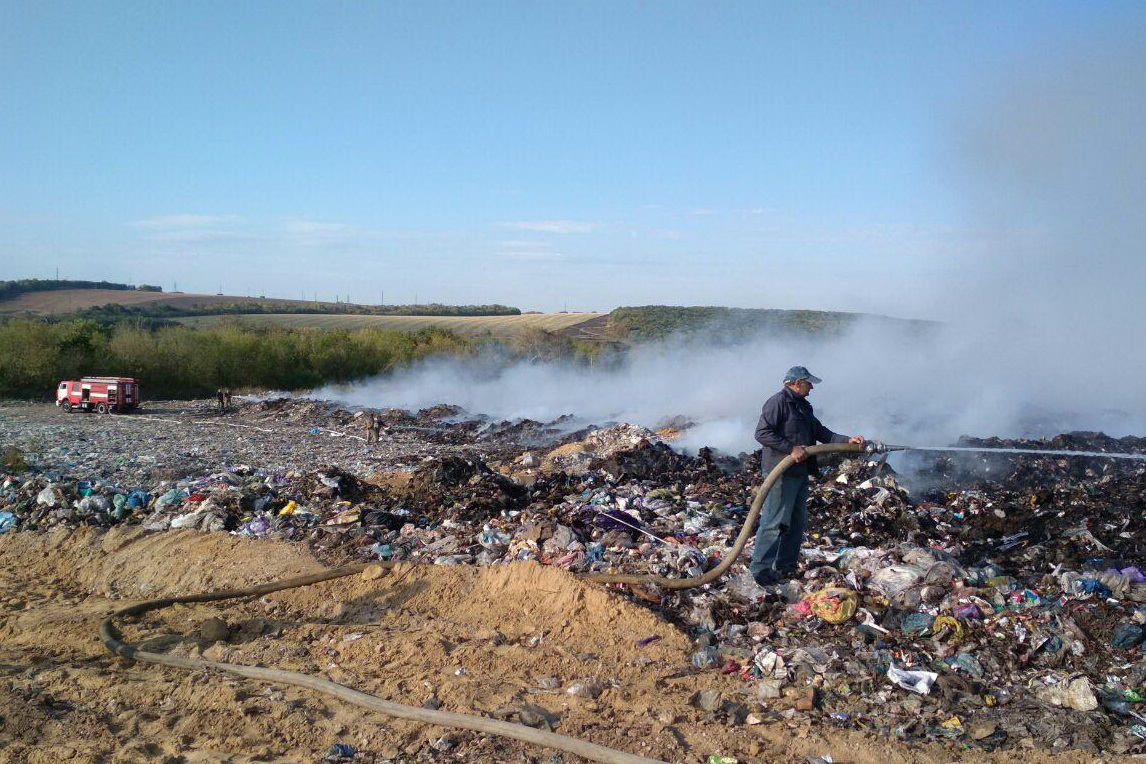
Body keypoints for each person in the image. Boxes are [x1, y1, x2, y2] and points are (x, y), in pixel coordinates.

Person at [751, 366, 864, 587]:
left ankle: (786, 566)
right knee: (774, 522)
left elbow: (821, 433)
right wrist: (791, 448)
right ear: (796, 382)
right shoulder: (778, 402)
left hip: (800, 472)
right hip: (781, 472)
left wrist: (847, 440)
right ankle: (760, 569)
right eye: (808, 383)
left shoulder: (803, 406)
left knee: (796, 521)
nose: (811, 387)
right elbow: (762, 433)